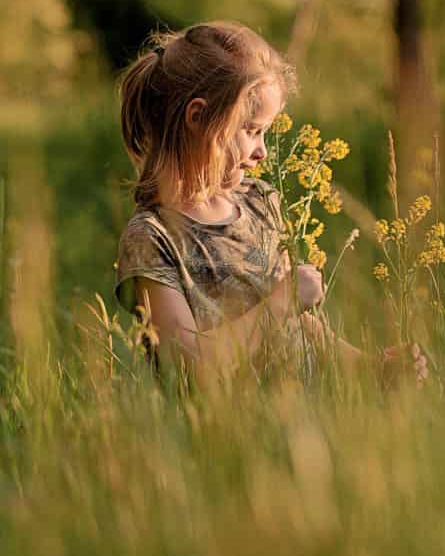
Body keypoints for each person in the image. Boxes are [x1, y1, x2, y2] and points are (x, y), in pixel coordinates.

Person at [113, 21, 425, 385]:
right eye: (251, 130)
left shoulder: (260, 203)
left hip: (300, 430)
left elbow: (299, 323)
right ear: (198, 118)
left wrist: (368, 367)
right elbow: (190, 369)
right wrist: (282, 301)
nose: (262, 151)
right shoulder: (151, 239)